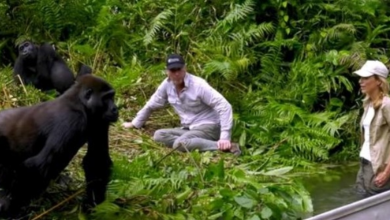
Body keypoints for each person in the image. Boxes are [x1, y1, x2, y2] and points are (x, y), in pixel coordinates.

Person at [122, 54, 241, 156]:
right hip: (190, 128)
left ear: (185, 68)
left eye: (180, 69)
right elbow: (152, 104)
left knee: (179, 144)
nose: (177, 73)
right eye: (173, 71)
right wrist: (135, 123)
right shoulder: (166, 85)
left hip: (210, 126)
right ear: (167, 71)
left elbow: (224, 106)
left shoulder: (198, 85)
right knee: (159, 135)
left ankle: (227, 146)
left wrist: (225, 136)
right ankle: (193, 142)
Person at [353, 60, 390, 197]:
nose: (361, 81)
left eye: (366, 78)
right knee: (359, 203)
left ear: (379, 81)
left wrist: (387, 173)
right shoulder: (367, 104)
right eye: (361, 78)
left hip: (378, 167)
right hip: (364, 163)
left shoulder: (387, 105)